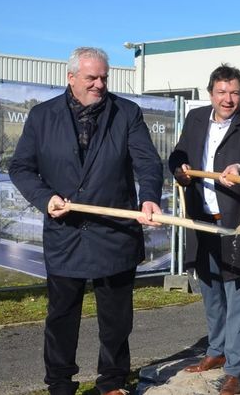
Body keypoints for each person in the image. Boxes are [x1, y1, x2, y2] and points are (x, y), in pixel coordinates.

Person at [10, 46, 163, 395]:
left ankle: (111, 381)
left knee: (116, 319)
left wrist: (149, 196)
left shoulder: (127, 113)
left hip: (115, 232)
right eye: (91, 77)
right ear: (71, 77)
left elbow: (148, 163)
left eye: (104, 78)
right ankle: (60, 384)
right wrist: (44, 197)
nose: (98, 85)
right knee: (62, 317)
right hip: (66, 233)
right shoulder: (42, 116)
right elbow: (20, 167)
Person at [168, 64, 240, 395]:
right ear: (210, 93)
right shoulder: (196, 118)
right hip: (202, 220)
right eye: (222, 92)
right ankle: (216, 351)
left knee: (238, 296)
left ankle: (235, 369)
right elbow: (178, 154)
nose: (228, 99)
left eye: (235, 93)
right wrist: (179, 170)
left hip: (238, 222)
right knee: (210, 290)